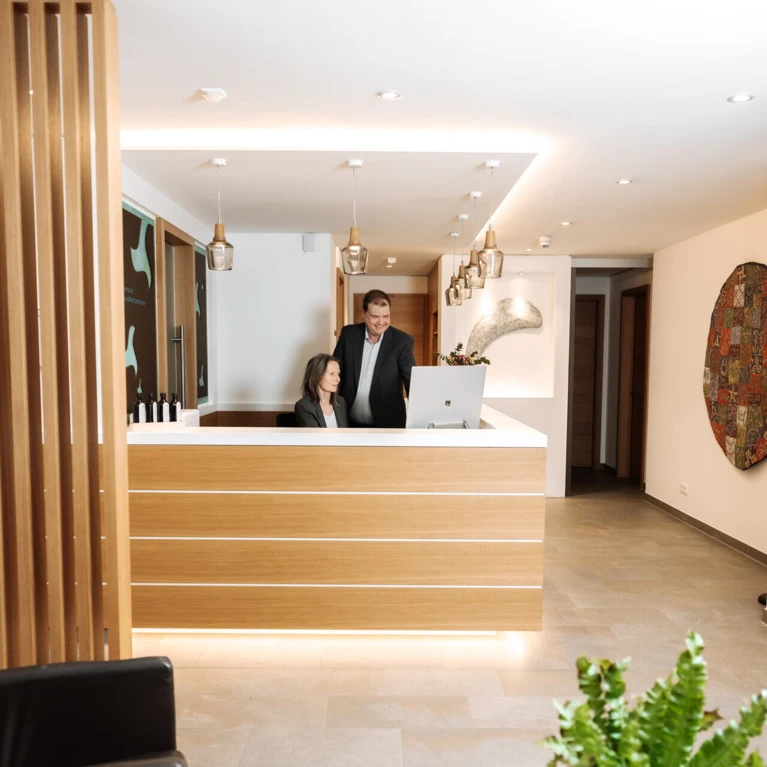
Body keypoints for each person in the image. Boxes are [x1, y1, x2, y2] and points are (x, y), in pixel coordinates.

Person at [333, 289, 415, 428]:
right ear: (364, 313)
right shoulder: (349, 334)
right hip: (349, 424)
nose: (381, 322)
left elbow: (411, 382)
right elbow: (335, 372)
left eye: (386, 316)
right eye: (375, 316)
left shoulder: (402, 341)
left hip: (388, 426)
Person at [294, 353, 349, 428]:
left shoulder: (341, 402)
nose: (338, 379)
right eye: (332, 374)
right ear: (317, 376)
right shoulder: (303, 406)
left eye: (338, 374)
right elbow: (315, 435)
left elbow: (346, 433)